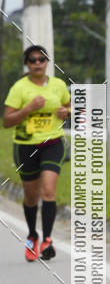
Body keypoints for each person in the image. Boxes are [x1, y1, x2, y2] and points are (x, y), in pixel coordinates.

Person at [3, 45, 70, 261]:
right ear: (27, 64)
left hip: (52, 143)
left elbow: (72, 109)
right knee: (31, 196)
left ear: (47, 62)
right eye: (33, 60)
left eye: (41, 59)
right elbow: (7, 121)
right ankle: (32, 235)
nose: (38, 63)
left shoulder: (58, 86)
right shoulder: (19, 88)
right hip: (25, 146)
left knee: (48, 190)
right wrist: (27, 109)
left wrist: (66, 112)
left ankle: (48, 240)